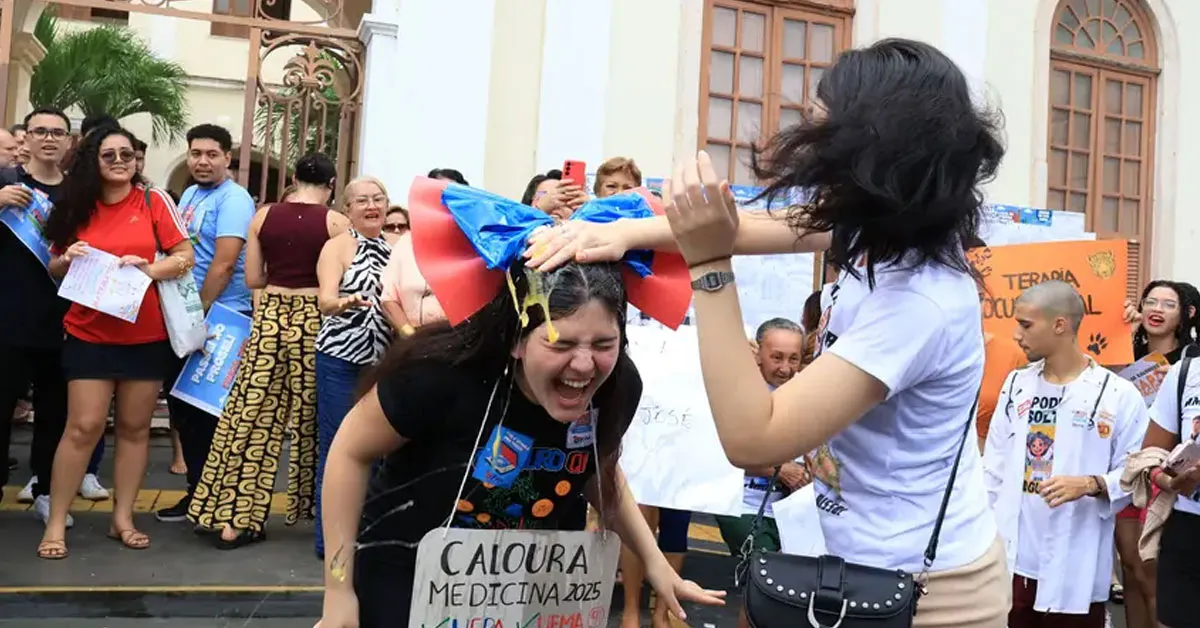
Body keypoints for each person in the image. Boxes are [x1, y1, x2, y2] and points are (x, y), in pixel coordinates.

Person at [528, 38, 1011, 625]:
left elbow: (755, 440)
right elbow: (762, 225)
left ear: (874, 149)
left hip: (932, 596)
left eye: (827, 126)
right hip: (854, 563)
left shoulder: (922, 300)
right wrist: (628, 234)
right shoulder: (879, 228)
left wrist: (707, 267)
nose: (809, 133)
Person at [316, 181, 723, 625]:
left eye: (604, 343)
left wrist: (658, 567)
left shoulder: (619, 384)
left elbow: (598, 470)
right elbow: (350, 452)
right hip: (407, 583)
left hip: (531, 592)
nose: (584, 365)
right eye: (560, 342)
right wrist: (338, 591)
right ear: (515, 339)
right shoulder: (438, 375)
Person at [39, 125, 194, 559]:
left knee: (134, 429)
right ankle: (56, 523)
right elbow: (53, 265)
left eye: (128, 154)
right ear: (93, 161)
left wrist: (147, 268)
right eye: (110, 155)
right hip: (88, 332)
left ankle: (122, 518)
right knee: (82, 427)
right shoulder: (76, 205)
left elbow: (185, 257)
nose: (121, 161)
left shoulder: (153, 200)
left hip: (145, 334)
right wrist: (66, 259)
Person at [188, 152, 349, 548]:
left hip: (272, 317)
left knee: (252, 415)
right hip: (316, 319)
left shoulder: (262, 216)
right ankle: (317, 513)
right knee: (318, 414)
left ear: (293, 178)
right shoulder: (336, 223)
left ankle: (233, 518)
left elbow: (254, 277)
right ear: (331, 186)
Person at [982, 281, 1147, 628]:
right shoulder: (1016, 384)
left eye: (1026, 325)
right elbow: (993, 468)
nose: (1016, 334)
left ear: (1060, 325)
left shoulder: (1116, 394)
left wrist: (1091, 484)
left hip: (1077, 561)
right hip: (1012, 559)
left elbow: (1136, 472)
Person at [155, 124, 256, 523]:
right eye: (196, 153)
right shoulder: (193, 195)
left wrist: (197, 313)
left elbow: (225, 262)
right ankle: (198, 495)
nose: (202, 161)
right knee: (185, 413)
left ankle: (215, 501)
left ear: (227, 158)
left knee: (209, 416)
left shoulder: (234, 200)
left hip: (219, 321)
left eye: (211, 154)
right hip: (187, 317)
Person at [313, 176, 396, 559]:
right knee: (337, 447)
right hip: (340, 360)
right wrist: (346, 302)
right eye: (361, 200)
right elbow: (325, 301)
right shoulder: (337, 247)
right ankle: (328, 541)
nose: (371, 205)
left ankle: (368, 533)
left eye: (378, 198)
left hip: (382, 363)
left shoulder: (395, 249)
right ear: (347, 210)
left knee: (378, 449)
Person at [0, 108, 74, 522]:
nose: (49, 138)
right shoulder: (5, 183)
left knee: (55, 413)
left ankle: (46, 489)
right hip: (7, 317)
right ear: (25, 138)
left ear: (67, 141)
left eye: (57, 132)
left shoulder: (77, 194)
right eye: (40, 131)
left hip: (61, 321)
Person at [1112, 279, 1199, 627]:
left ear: (1187, 315)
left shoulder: (1180, 361)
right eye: (1151, 301)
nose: (1156, 310)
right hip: (1176, 512)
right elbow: (1151, 453)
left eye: (1168, 304)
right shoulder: (1186, 371)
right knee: (1135, 569)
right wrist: (1167, 478)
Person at [716, 317, 811, 628]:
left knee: (783, 594)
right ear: (758, 354)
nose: (785, 367)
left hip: (795, 512)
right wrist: (780, 469)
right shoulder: (738, 393)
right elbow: (721, 452)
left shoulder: (810, 393)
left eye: (793, 358)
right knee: (764, 588)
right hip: (743, 506)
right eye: (777, 357)